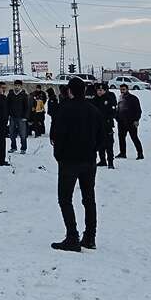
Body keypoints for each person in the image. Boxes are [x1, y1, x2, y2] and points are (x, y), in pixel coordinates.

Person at [50, 77, 106, 252]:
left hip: (68, 161)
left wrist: (58, 155)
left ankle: (72, 237)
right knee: (89, 199)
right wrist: (93, 150)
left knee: (65, 199)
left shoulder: (64, 109)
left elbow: (57, 135)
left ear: (70, 91)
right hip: (89, 161)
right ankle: (90, 237)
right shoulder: (93, 110)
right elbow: (102, 136)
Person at [115, 83, 144, 159]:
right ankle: (122, 153)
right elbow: (118, 109)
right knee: (121, 138)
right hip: (121, 122)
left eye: (123, 89)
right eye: (121, 90)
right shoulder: (120, 98)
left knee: (134, 138)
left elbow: (138, 110)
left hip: (131, 122)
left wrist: (136, 120)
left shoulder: (133, 98)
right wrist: (117, 118)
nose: (122, 91)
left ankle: (140, 154)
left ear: (127, 89)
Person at [92, 83, 116, 168]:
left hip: (107, 125)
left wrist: (108, 118)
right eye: (98, 90)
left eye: (101, 90)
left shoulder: (109, 99)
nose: (99, 92)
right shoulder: (95, 100)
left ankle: (110, 162)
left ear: (105, 91)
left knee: (109, 145)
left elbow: (113, 112)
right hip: (97, 126)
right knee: (100, 144)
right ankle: (102, 160)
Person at [7, 79, 31, 154]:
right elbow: (7, 105)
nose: (17, 87)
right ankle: (13, 147)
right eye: (15, 85)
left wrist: (26, 117)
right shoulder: (10, 94)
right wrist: (8, 114)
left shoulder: (24, 95)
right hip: (12, 117)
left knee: (22, 134)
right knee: (11, 133)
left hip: (21, 118)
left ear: (21, 86)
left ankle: (23, 148)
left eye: (18, 86)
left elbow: (27, 107)